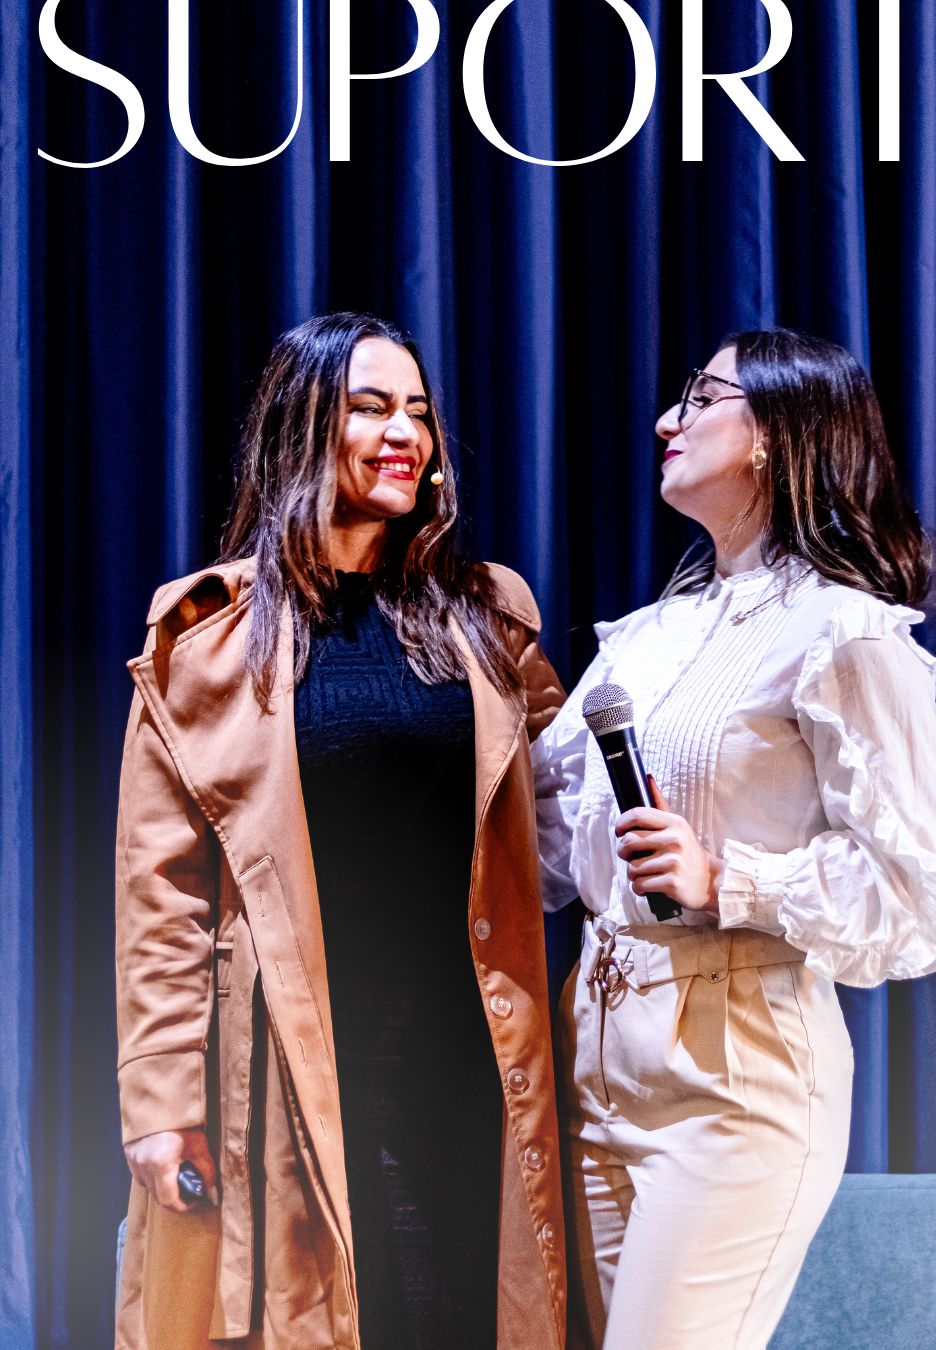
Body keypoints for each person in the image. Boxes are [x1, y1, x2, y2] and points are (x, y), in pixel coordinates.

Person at [532, 328, 936, 1350]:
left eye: (702, 398)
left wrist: (727, 880)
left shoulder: (843, 632)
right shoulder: (647, 637)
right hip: (595, 1065)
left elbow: (933, 890)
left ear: (777, 434)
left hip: (736, 1083)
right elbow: (546, 843)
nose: (670, 418)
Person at [115, 312, 566, 1349]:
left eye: (418, 411)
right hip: (291, 1054)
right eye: (370, 408)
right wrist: (160, 1101)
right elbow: (161, 890)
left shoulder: (488, 617)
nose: (405, 432)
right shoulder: (209, 635)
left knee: (465, 1314)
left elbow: (566, 805)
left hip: (470, 1056)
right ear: (303, 424)